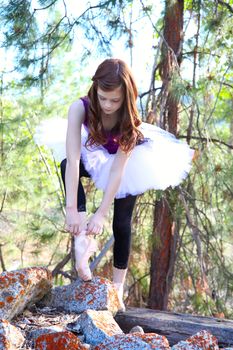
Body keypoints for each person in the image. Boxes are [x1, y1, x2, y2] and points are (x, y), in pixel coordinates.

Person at [36, 58, 194, 310]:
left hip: (126, 165)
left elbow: (118, 172)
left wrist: (100, 214)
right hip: (96, 153)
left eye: (115, 100)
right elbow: (75, 159)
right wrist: (72, 212)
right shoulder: (79, 108)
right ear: (95, 89)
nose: (108, 105)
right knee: (66, 165)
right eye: (103, 98)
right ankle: (82, 240)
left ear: (126, 97)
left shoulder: (129, 124)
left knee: (121, 222)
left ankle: (118, 287)